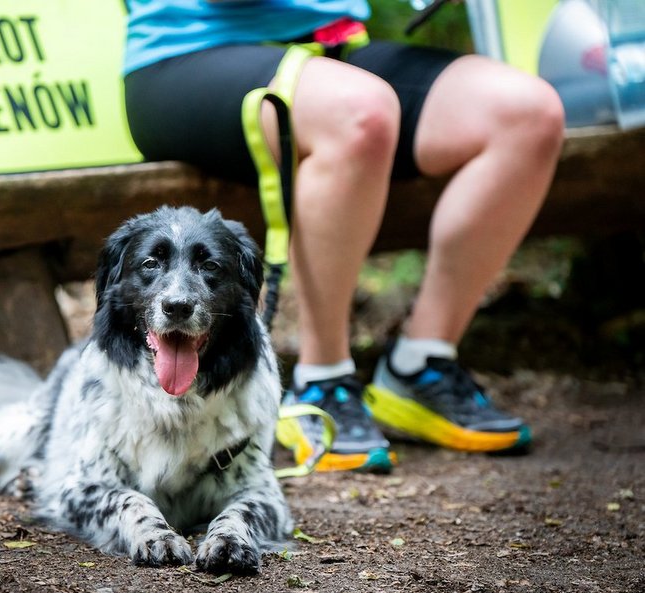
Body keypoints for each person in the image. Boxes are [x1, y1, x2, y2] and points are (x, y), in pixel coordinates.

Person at [121, 0, 565, 472]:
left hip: (335, 48)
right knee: (359, 111)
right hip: (186, 58)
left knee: (527, 114)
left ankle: (421, 363)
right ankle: (322, 381)